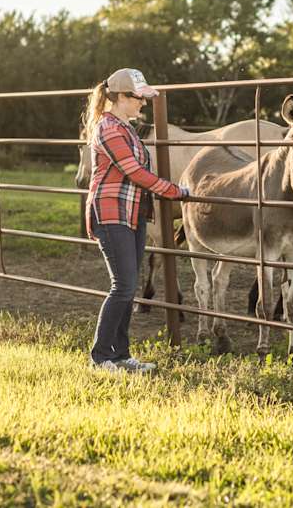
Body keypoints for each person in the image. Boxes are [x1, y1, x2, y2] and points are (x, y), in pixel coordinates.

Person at [81, 68, 189, 373]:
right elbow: (135, 172)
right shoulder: (110, 129)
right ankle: (101, 356)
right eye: (138, 98)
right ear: (120, 98)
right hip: (112, 214)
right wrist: (174, 191)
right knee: (124, 286)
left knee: (126, 286)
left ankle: (121, 355)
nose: (143, 103)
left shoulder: (125, 127)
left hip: (132, 214)